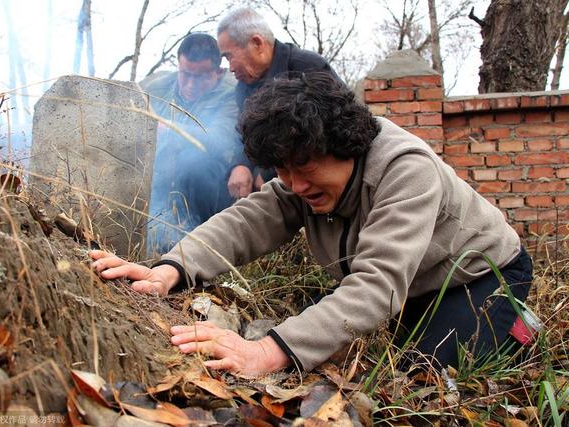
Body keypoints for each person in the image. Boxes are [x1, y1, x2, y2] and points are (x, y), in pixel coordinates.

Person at [92, 72, 532, 377]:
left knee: (429, 372)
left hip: (480, 276)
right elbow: (247, 220)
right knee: (343, 335)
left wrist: (267, 352)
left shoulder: (406, 169)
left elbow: (377, 285)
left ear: (346, 145)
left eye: (303, 166)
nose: (294, 184)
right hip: (413, 282)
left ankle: (519, 326)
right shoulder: (300, 179)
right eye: (282, 168)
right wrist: (170, 268)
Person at [218, 7, 342, 196]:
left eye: (229, 56)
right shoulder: (242, 88)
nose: (230, 68)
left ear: (257, 44)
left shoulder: (307, 68)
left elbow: (332, 132)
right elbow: (245, 137)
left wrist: (269, 173)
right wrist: (240, 165)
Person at [140, 33, 244, 255]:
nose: (190, 84)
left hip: (212, 186)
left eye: (200, 77)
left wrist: (170, 129)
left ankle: (200, 249)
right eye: (185, 74)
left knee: (197, 166)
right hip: (162, 177)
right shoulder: (156, 87)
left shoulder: (233, 94)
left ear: (219, 72)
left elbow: (219, 140)